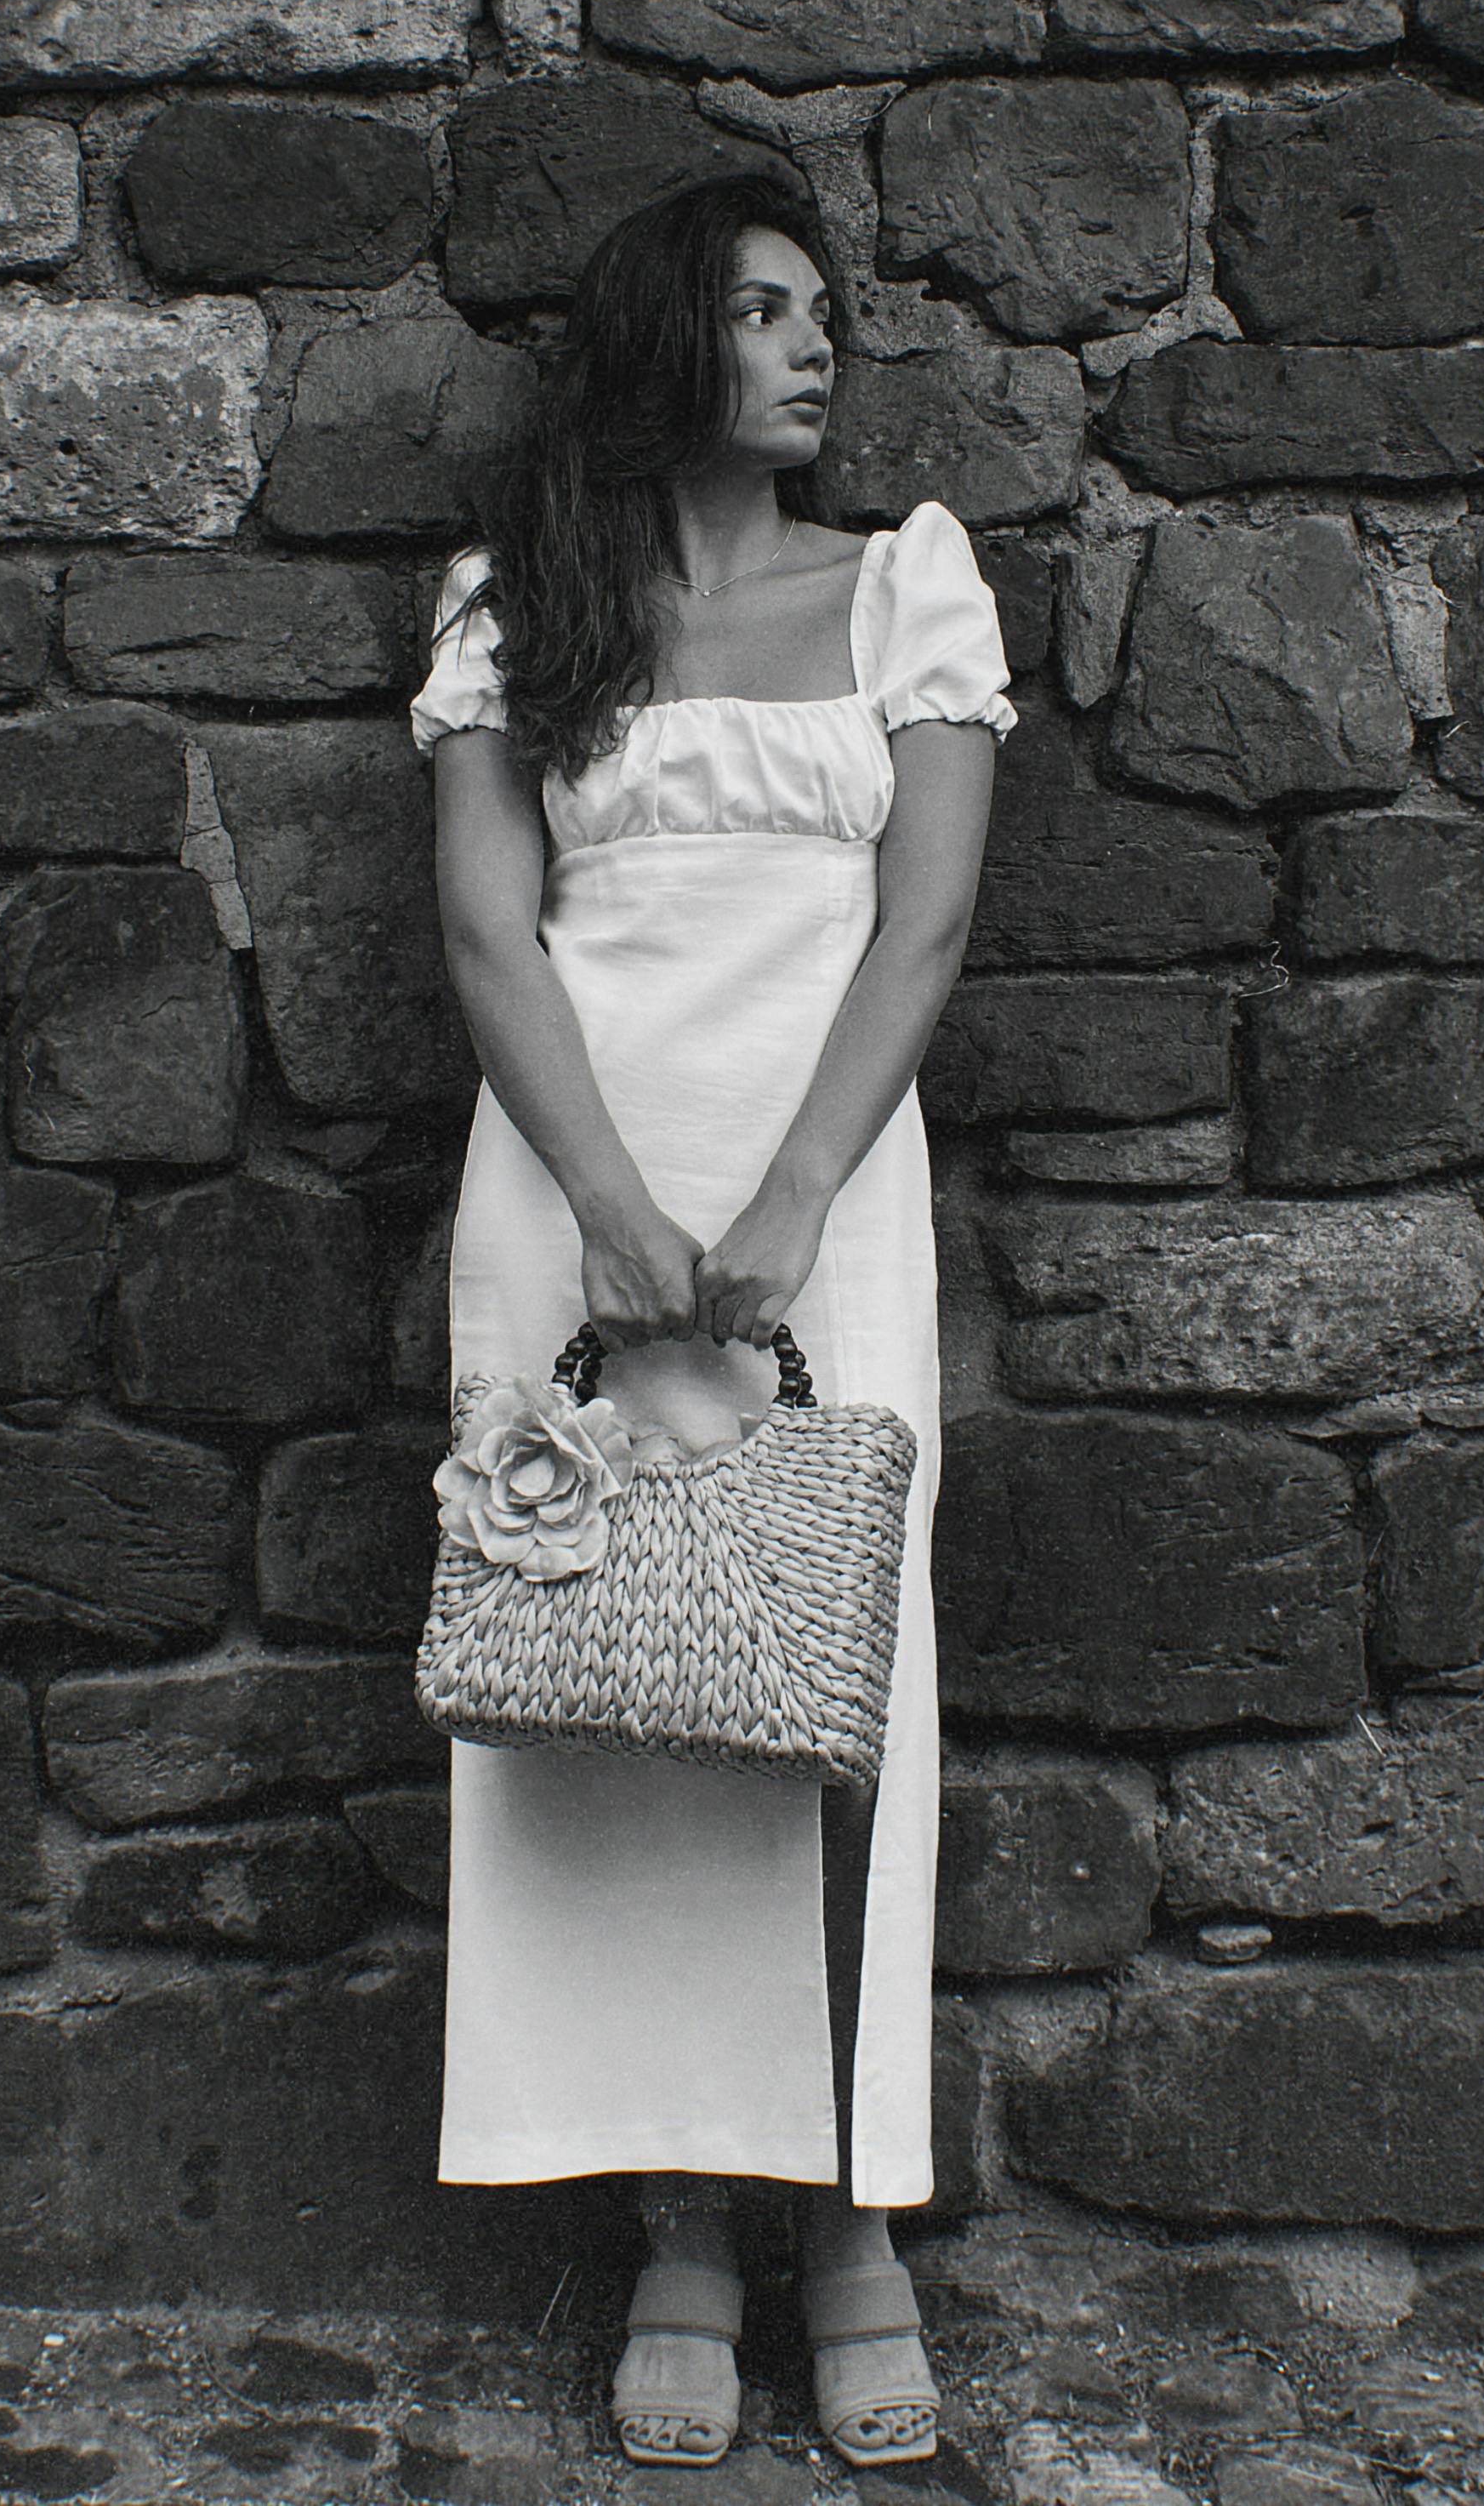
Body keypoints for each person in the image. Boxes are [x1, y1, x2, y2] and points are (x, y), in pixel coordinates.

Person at [409, 171, 1013, 2471]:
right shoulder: (520, 608)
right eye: (766, 310)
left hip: (817, 1203)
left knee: (841, 1682)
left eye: (827, 312)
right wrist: (610, 1205)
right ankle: (678, 2219)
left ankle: (853, 2217)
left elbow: (928, 924)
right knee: (612, 1692)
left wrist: (775, 1202)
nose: (818, 347)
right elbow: (488, 933)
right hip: (575, 1199)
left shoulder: (903, 587)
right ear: (668, 340)